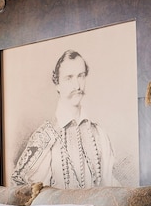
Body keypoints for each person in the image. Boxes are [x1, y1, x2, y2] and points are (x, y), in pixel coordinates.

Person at [11, 49, 119, 188]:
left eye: (81, 76)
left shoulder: (98, 134)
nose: (77, 85)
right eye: (69, 78)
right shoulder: (45, 136)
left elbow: (111, 186)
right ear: (57, 84)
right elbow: (19, 186)